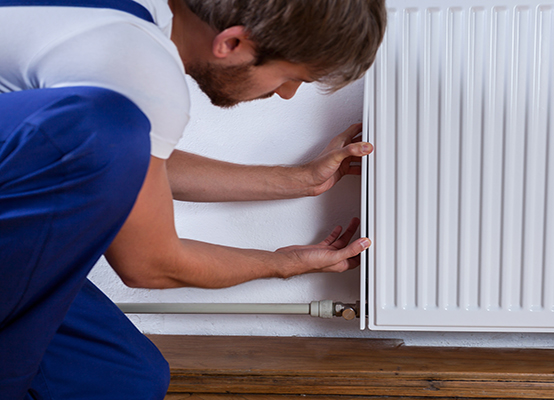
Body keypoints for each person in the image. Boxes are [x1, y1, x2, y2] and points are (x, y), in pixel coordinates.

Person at [0, 0, 386, 398]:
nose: (287, 94)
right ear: (232, 43)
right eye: (292, 77)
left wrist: (301, 180)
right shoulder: (138, 67)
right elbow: (150, 265)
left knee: (118, 379)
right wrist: (286, 263)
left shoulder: (129, 24)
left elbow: (123, 164)